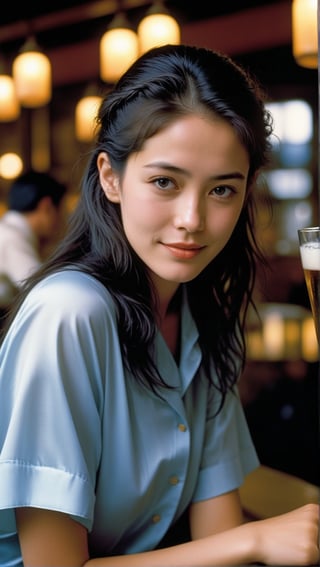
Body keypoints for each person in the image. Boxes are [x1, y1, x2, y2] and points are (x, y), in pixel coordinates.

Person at [0, 44, 318, 567]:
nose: (192, 218)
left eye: (221, 190)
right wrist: (254, 541)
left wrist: (238, 545)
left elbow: (215, 535)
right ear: (110, 177)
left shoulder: (205, 314)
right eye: (164, 182)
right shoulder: (70, 313)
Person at [0, 169, 67, 299]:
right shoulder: (12, 237)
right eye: (61, 211)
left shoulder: (8, 230)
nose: (61, 219)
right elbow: (42, 289)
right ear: (46, 206)